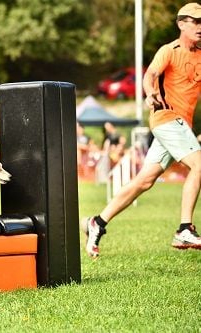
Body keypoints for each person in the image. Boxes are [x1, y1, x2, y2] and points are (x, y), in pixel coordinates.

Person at [81, 2, 201, 258]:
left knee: (144, 181)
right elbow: (151, 75)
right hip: (167, 118)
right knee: (200, 165)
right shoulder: (169, 50)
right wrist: (150, 94)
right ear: (182, 24)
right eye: (196, 22)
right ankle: (184, 228)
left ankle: (97, 222)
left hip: (181, 126)